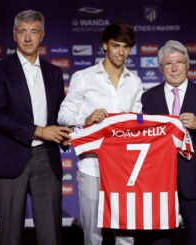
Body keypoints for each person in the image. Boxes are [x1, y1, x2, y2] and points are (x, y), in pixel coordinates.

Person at [0, 10, 72, 245]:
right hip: (9, 158)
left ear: (42, 35)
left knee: (51, 235)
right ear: (14, 35)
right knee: (10, 236)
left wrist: (65, 133)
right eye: (22, 32)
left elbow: (59, 115)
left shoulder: (54, 72)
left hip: (46, 159)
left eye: (33, 32)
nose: (28, 38)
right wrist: (39, 130)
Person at [58, 21, 142, 244]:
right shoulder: (83, 77)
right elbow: (63, 115)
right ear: (105, 45)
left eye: (126, 47)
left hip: (125, 168)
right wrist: (84, 120)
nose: (121, 52)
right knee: (93, 235)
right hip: (91, 166)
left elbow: (137, 121)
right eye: (116, 45)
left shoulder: (135, 82)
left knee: (125, 235)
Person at [141, 40, 196, 245]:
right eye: (169, 64)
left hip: (193, 183)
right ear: (161, 68)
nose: (175, 68)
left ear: (188, 65)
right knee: (160, 242)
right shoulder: (148, 98)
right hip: (159, 184)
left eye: (179, 62)